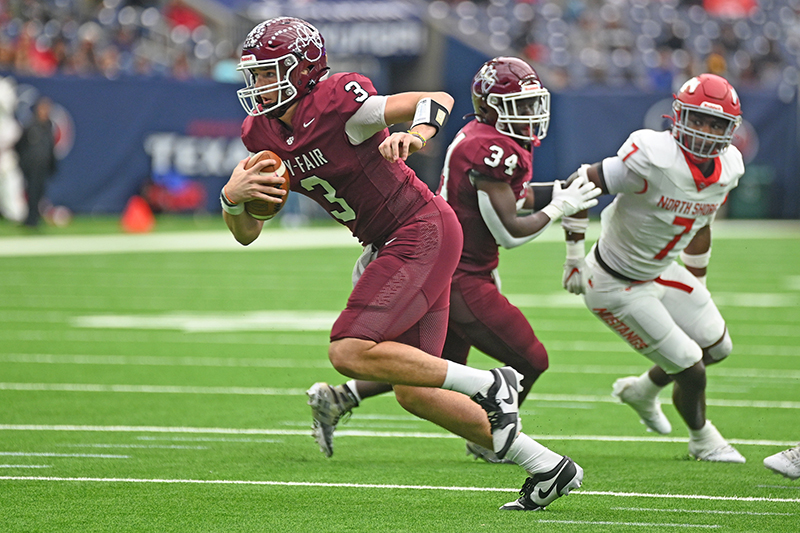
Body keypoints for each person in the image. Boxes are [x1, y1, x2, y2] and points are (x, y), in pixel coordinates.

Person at [221, 18, 585, 511]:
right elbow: (247, 234)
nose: (259, 85)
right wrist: (232, 199)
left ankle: (489, 383)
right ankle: (546, 465)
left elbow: (434, 98)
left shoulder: (336, 101)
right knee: (414, 392)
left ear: (304, 69)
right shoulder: (260, 131)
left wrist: (415, 134)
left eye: (269, 72)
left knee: (348, 351)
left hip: (417, 230)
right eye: (256, 75)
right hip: (394, 239)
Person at [307, 57, 601, 467]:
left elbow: (510, 197)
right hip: (461, 274)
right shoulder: (490, 149)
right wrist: (558, 208)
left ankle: (342, 396)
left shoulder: (487, 138)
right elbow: (509, 231)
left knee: (429, 370)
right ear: (491, 106)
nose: (531, 113)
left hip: (453, 264)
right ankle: (491, 438)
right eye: (520, 103)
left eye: (534, 103)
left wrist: (557, 190)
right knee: (530, 359)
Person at [558, 73, 746, 463]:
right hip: (613, 282)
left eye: (716, 124)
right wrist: (574, 256)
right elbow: (580, 182)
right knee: (691, 368)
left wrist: (699, 281)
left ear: (731, 129)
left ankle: (642, 390)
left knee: (717, 346)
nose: (706, 132)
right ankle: (702, 440)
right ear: (677, 116)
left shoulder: (730, 167)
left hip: (661, 269)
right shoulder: (649, 155)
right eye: (698, 120)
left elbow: (701, 223)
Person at [16, 96, 57, 228]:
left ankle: (35, 216)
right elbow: (20, 145)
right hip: (31, 165)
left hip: (43, 165)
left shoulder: (49, 126)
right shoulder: (30, 125)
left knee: (39, 191)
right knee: (32, 191)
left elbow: (50, 147)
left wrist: (52, 164)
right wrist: (24, 161)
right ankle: (30, 219)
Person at [0, 75, 27, 224]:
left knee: (11, 181)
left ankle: (14, 213)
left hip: (6, 155)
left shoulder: (9, 124)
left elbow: (8, 104)